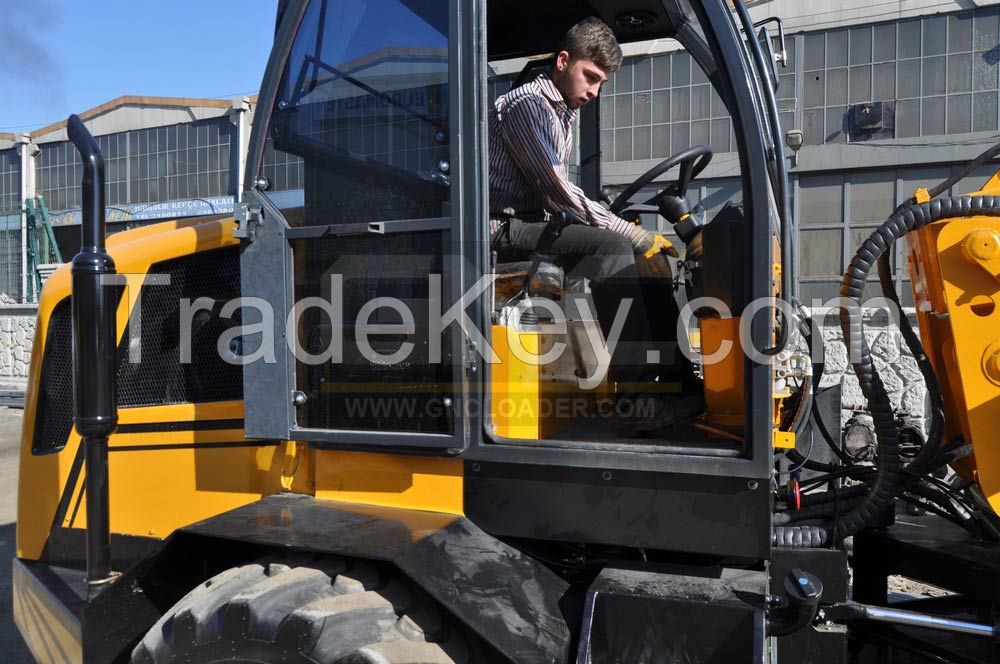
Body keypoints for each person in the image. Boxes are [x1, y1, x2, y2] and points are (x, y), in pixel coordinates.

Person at [489, 17, 700, 434]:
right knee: (612, 248)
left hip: (534, 226)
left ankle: (675, 381)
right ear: (563, 60)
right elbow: (557, 190)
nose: (594, 91)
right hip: (500, 231)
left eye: (601, 82)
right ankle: (635, 397)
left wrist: (634, 236)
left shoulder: (559, 111)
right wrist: (629, 231)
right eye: (590, 77)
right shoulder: (527, 106)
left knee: (646, 262)